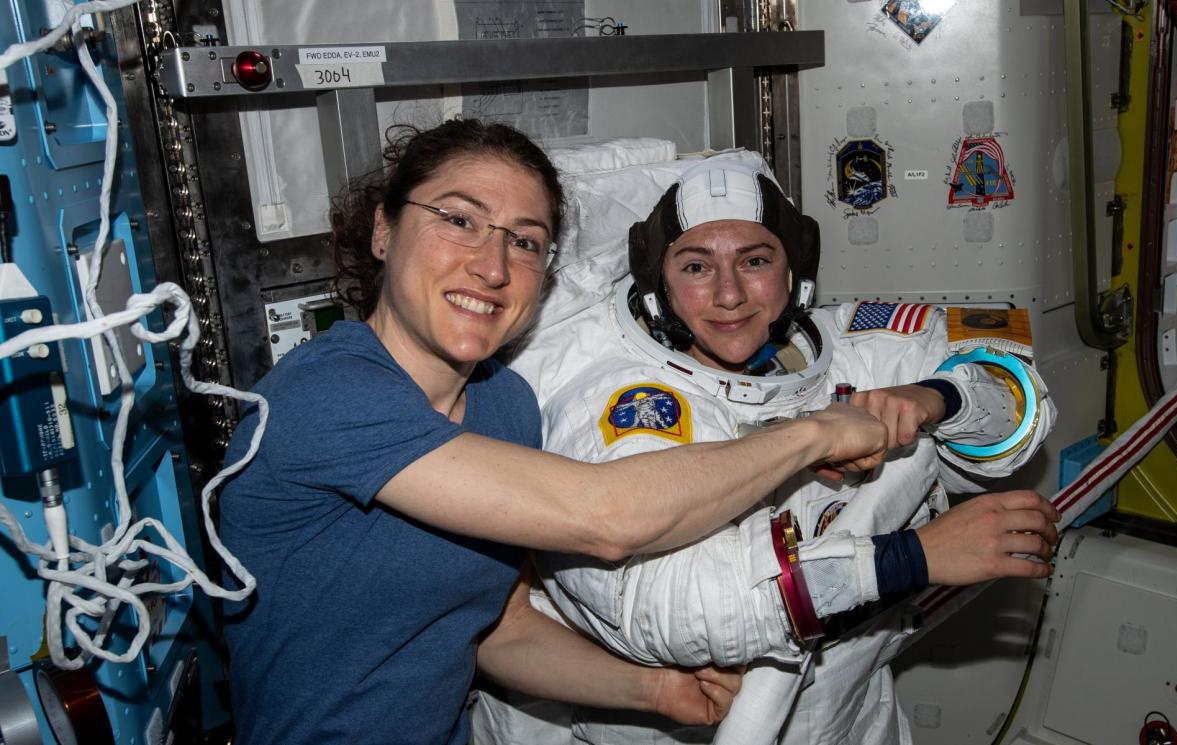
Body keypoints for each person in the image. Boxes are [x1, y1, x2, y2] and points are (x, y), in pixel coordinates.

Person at [216, 121, 892, 745]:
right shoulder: (326, 395)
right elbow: (604, 515)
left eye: (525, 240)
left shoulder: (504, 406)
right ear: (383, 230)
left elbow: (497, 630)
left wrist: (656, 689)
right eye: (459, 220)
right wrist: (813, 432)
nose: (492, 265)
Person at [472, 155, 1060, 745]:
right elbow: (678, 612)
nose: (729, 295)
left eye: (755, 261)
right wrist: (914, 557)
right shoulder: (626, 402)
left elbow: (1020, 395)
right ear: (659, 285)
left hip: (852, 722)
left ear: (795, 268)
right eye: (697, 266)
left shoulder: (860, 349)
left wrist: (939, 396)